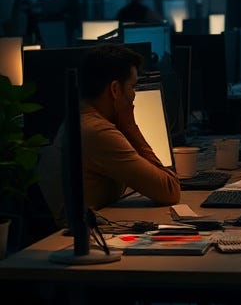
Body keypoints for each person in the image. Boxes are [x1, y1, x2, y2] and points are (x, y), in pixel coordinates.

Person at [65, 44, 180, 209]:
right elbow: (170, 190)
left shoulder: (80, 119)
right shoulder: (98, 132)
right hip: (86, 234)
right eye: (132, 86)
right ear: (115, 89)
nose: (134, 95)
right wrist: (131, 127)